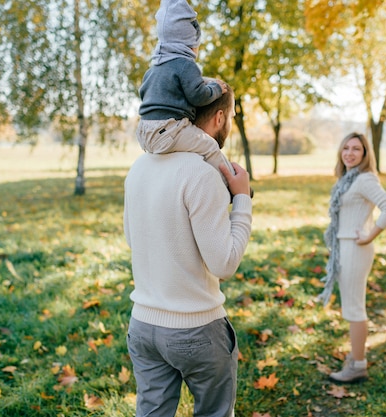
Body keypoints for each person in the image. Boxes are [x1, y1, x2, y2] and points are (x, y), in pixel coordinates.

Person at [124, 83, 252, 417]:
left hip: (142, 325)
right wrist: (242, 199)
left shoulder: (139, 166)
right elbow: (224, 263)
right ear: (219, 117)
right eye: (232, 117)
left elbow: (131, 239)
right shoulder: (200, 172)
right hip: (195, 327)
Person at [319, 132, 386, 383]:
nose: (350, 153)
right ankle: (356, 357)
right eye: (346, 148)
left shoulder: (364, 179)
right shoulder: (347, 179)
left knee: (354, 308)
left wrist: (369, 235)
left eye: (356, 149)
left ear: (365, 155)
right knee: (352, 306)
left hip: (355, 248)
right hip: (345, 248)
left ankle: (358, 365)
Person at [136, 0, 235, 187]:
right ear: (190, 43)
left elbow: (144, 93)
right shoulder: (185, 64)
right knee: (209, 147)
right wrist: (215, 89)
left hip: (144, 132)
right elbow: (198, 95)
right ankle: (230, 184)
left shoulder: (153, 69)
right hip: (169, 129)